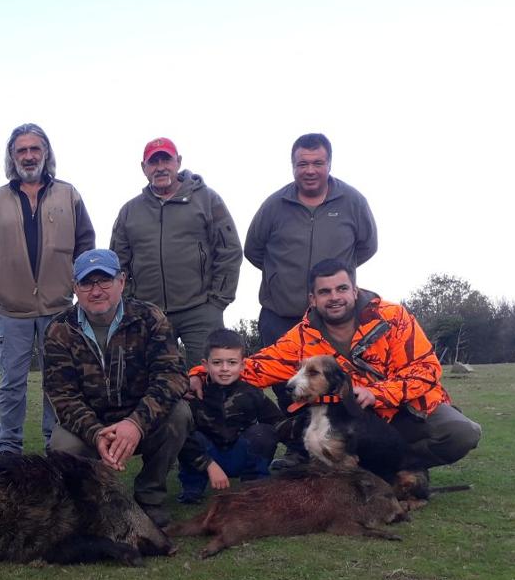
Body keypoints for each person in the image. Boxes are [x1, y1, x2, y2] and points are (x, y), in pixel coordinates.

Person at [188, 259, 481, 479]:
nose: (335, 297)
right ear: (313, 299)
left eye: (342, 288)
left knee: (462, 434)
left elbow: (426, 367)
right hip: (350, 420)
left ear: (354, 290)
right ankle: (360, 470)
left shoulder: (393, 317)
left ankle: (398, 468)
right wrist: (201, 373)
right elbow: (258, 367)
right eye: (325, 292)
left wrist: (379, 393)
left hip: (409, 408)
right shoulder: (301, 337)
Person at [43, 249, 191, 527]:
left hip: (140, 418)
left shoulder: (150, 318)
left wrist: (135, 424)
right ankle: (91, 501)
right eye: (86, 283)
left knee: (180, 414)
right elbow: (62, 396)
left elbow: (172, 377)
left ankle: (150, 497)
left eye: (104, 281)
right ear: (75, 288)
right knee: (62, 445)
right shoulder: (59, 329)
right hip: (91, 423)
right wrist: (96, 432)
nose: (96, 291)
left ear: (121, 281)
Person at [0, 123, 96, 455]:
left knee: (58, 381)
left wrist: (77, 285)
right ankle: (8, 449)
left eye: (34, 149)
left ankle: (55, 446)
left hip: (59, 307)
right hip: (14, 310)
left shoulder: (69, 195)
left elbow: (86, 244)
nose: (28, 156)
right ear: (12, 157)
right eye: (21, 150)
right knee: (12, 384)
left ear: (46, 153)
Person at [244, 132, 377, 403]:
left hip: (333, 318)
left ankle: (335, 442)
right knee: (285, 385)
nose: (310, 170)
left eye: (318, 163)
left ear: (330, 164)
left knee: (331, 382)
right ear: (292, 166)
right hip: (281, 315)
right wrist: (280, 277)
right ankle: (296, 441)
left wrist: (334, 282)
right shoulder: (273, 205)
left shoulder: (353, 202)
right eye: (302, 164)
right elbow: (253, 250)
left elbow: (367, 246)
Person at [110, 137, 242, 370]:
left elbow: (229, 250)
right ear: (144, 168)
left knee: (208, 380)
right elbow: (117, 263)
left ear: (178, 162)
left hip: (200, 310)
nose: (160, 167)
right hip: (148, 314)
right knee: (150, 380)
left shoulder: (208, 200)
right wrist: (131, 303)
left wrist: (217, 301)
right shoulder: (130, 211)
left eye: (166, 159)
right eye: (153, 162)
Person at [175, 328, 282, 504]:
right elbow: (183, 438)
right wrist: (208, 464)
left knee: (264, 432)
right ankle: (192, 488)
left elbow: (279, 424)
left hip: (238, 454)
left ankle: (254, 485)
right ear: (205, 364)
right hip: (206, 457)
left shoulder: (253, 393)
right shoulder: (193, 396)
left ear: (242, 365)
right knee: (188, 434)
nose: (225, 369)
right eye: (217, 363)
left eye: (232, 362)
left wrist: (306, 435)